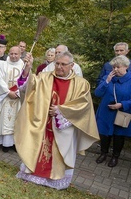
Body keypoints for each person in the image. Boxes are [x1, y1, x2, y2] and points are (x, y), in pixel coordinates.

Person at [15, 51, 99, 190]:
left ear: (72, 65)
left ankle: (56, 180)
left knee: (60, 151)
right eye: (57, 63)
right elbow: (27, 87)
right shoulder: (44, 77)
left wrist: (61, 111)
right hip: (43, 122)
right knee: (39, 146)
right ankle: (33, 174)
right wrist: (27, 69)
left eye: (63, 64)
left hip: (64, 127)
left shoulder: (81, 84)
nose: (59, 67)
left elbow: (83, 106)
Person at [95, 55, 131, 167]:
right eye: (113, 67)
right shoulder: (108, 77)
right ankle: (103, 153)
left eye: (118, 67)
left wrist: (122, 104)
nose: (115, 69)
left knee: (119, 136)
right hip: (106, 112)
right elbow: (97, 93)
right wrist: (106, 81)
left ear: (126, 67)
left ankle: (115, 157)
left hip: (122, 112)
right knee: (104, 134)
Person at [0, 46, 29, 152]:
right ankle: (5, 143)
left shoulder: (24, 66)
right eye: (11, 54)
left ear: (20, 54)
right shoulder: (4, 65)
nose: (13, 56)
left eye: (16, 54)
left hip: (18, 99)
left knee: (17, 120)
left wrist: (17, 93)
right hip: (6, 98)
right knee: (5, 119)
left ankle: (15, 143)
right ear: (9, 54)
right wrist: (8, 92)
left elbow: (27, 80)